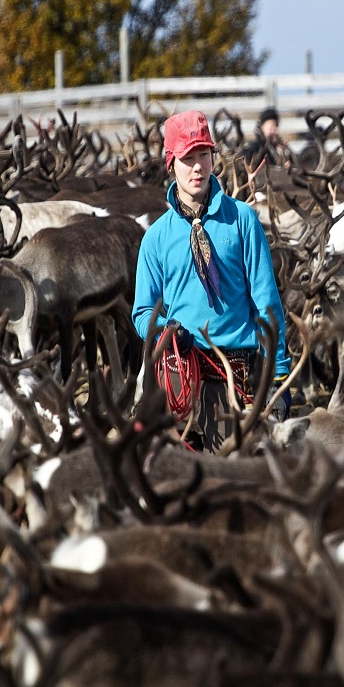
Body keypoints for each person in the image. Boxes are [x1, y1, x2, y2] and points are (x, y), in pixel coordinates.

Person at [133, 110, 291, 449]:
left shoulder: (243, 221)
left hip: (235, 380)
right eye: (187, 158)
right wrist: (166, 329)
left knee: (232, 483)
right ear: (170, 163)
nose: (197, 167)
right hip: (177, 381)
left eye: (203, 155)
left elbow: (267, 303)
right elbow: (142, 312)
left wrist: (278, 375)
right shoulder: (156, 238)